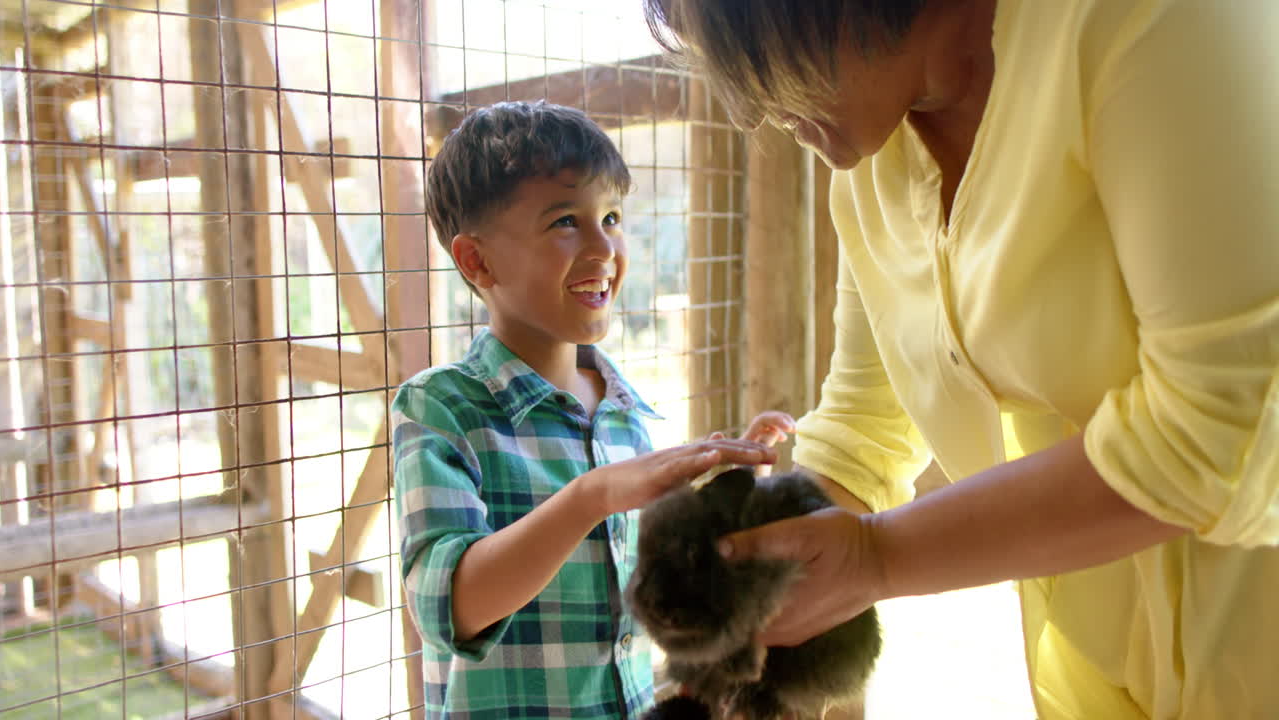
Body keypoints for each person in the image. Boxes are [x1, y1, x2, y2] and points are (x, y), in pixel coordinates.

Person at [644, 1, 1279, 718]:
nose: (752, 113)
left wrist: (879, 559)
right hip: (1094, 680)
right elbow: (860, 438)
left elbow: (1230, 425)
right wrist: (740, 601)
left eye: (746, 48)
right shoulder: (870, 171)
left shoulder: (1150, 21)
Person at [392, 100, 789, 718]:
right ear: (477, 261)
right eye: (564, 222)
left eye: (610, 216)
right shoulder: (444, 409)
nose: (604, 246)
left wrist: (731, 483)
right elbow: (446, 606)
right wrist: (592, 495)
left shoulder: (626, 412)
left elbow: (654, 578)